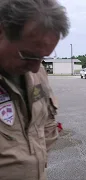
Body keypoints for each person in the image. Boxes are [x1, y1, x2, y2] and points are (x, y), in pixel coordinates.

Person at [0, 0, 69, 179]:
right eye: (29, 55)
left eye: (43, 58)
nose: (35, 68)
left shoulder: (37, 73)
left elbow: (45, 125)